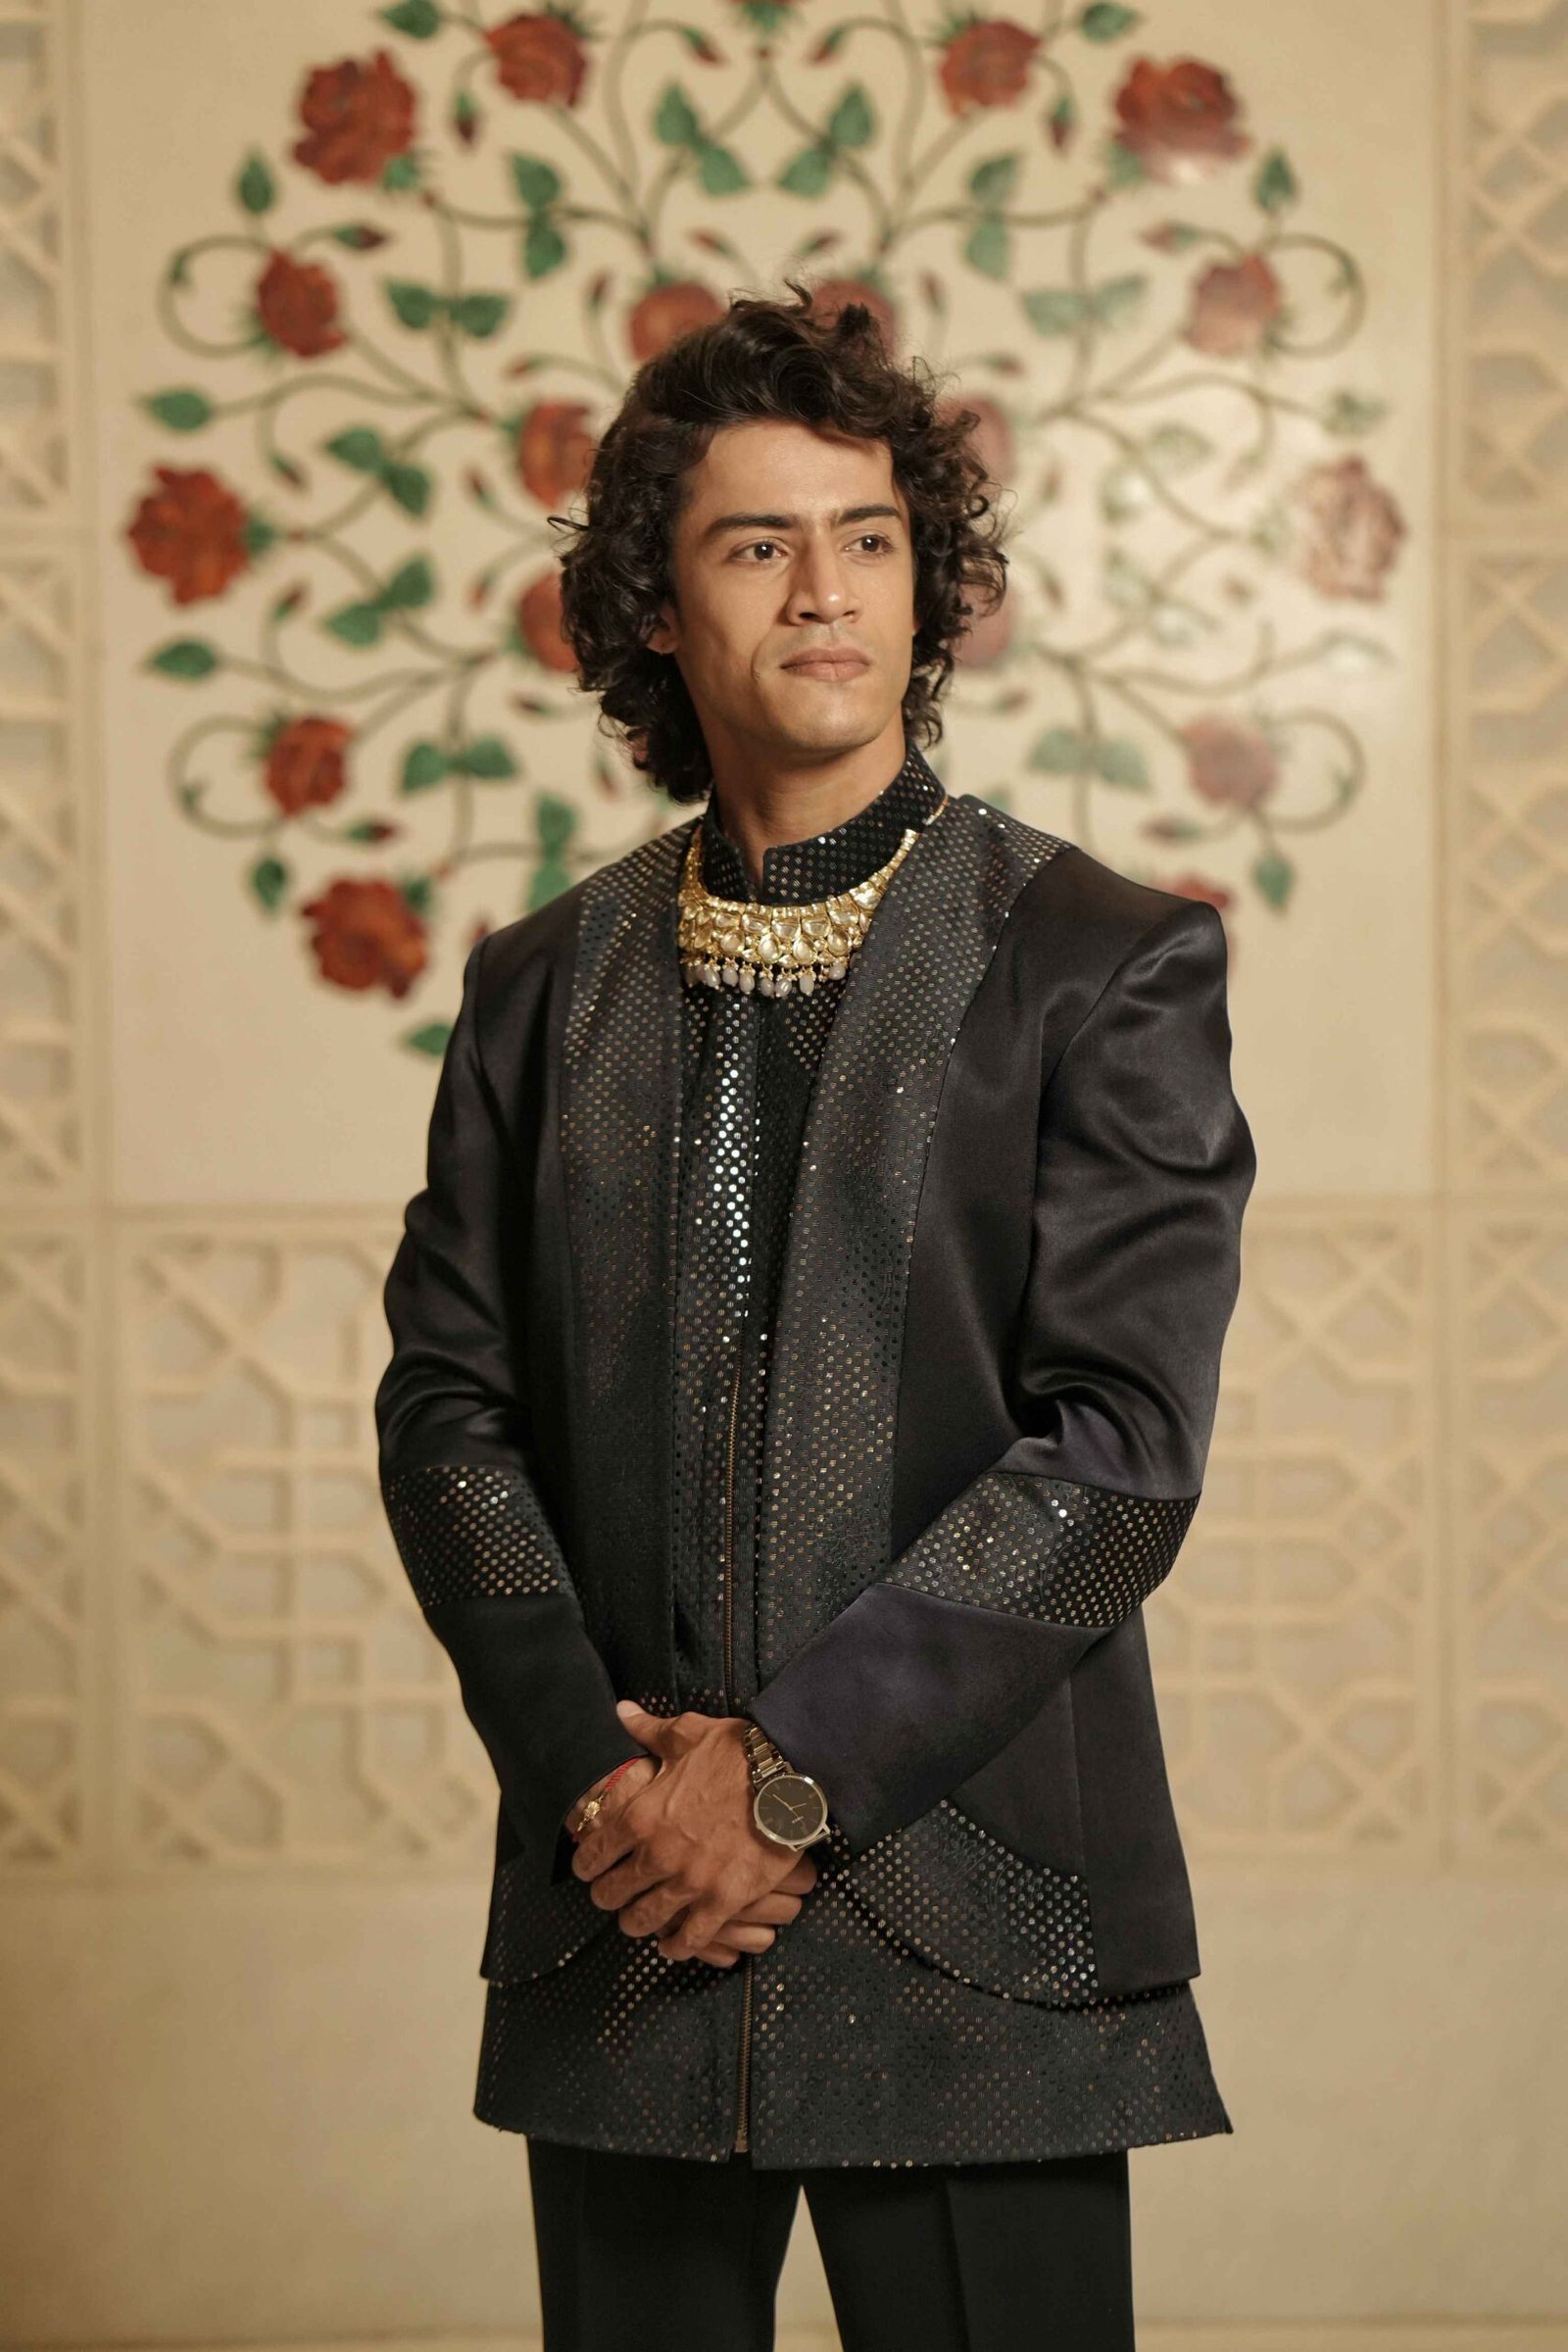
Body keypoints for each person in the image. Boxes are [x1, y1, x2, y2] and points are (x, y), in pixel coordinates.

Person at [374, 280, 1255, 2352]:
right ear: (655, 609)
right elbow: (447, 1411)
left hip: (982, 1920)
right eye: (756, 543)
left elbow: (1118, 1452)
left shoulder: (1101, 964)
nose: (824, 590)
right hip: (625, 1903)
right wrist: (602, 1787)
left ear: (927, 586)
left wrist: (776, 1781)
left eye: (868, 537)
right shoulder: (538, 984)